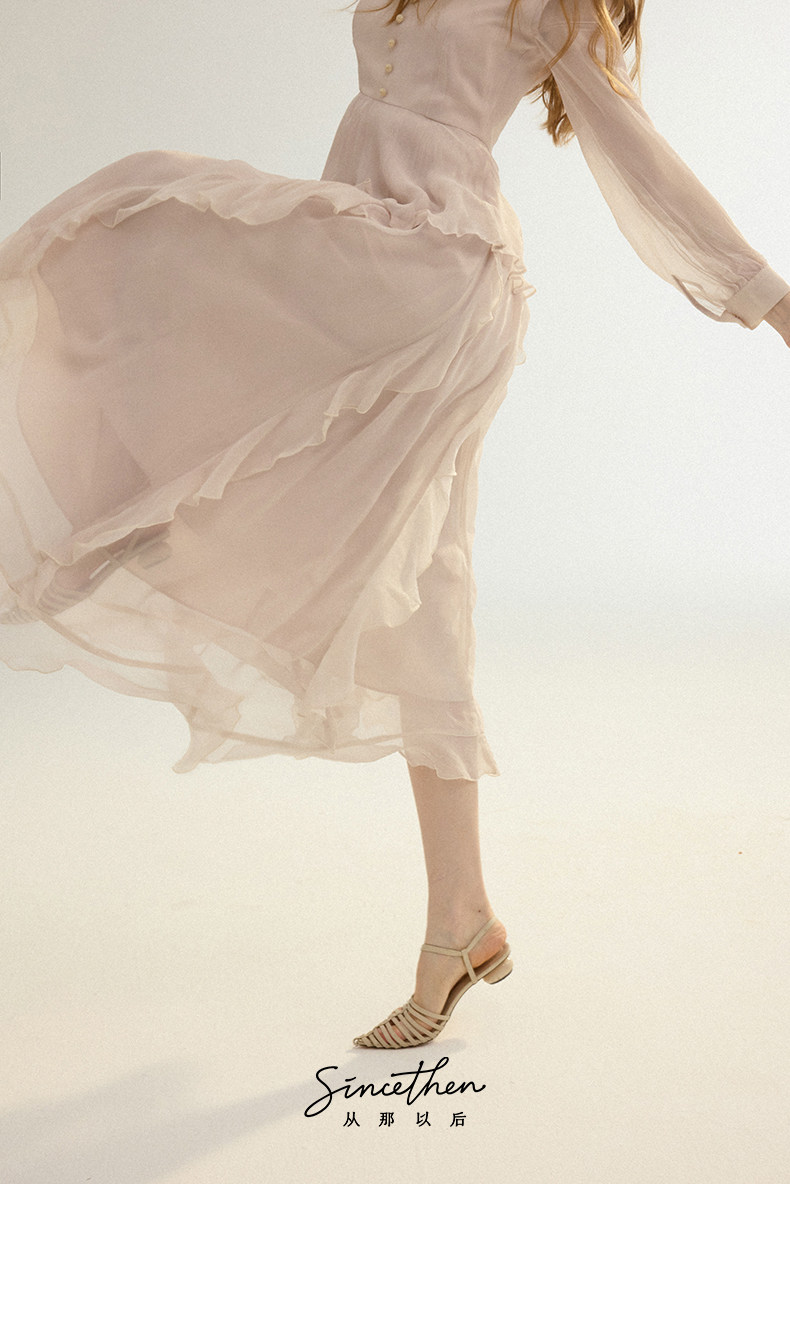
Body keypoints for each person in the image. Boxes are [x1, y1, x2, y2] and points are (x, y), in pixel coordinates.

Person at [0, 0, 788, 1049]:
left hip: (432, 265)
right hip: (360, 249)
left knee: (153, 201)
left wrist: (774, 303)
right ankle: (461, 918)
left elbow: (641, 162)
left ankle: (114, 525)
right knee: (427, 594)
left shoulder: (545, 7)